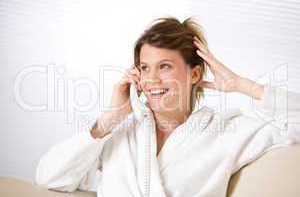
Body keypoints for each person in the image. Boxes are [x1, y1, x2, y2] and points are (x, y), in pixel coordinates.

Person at [35, 17, 300, 197]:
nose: (151, 79)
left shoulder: (228, 132)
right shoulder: (119, 133)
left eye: (165, 67)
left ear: (194, 74)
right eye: (144, 68)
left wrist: (244, 86)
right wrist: (109, 119)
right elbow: (49, 178)